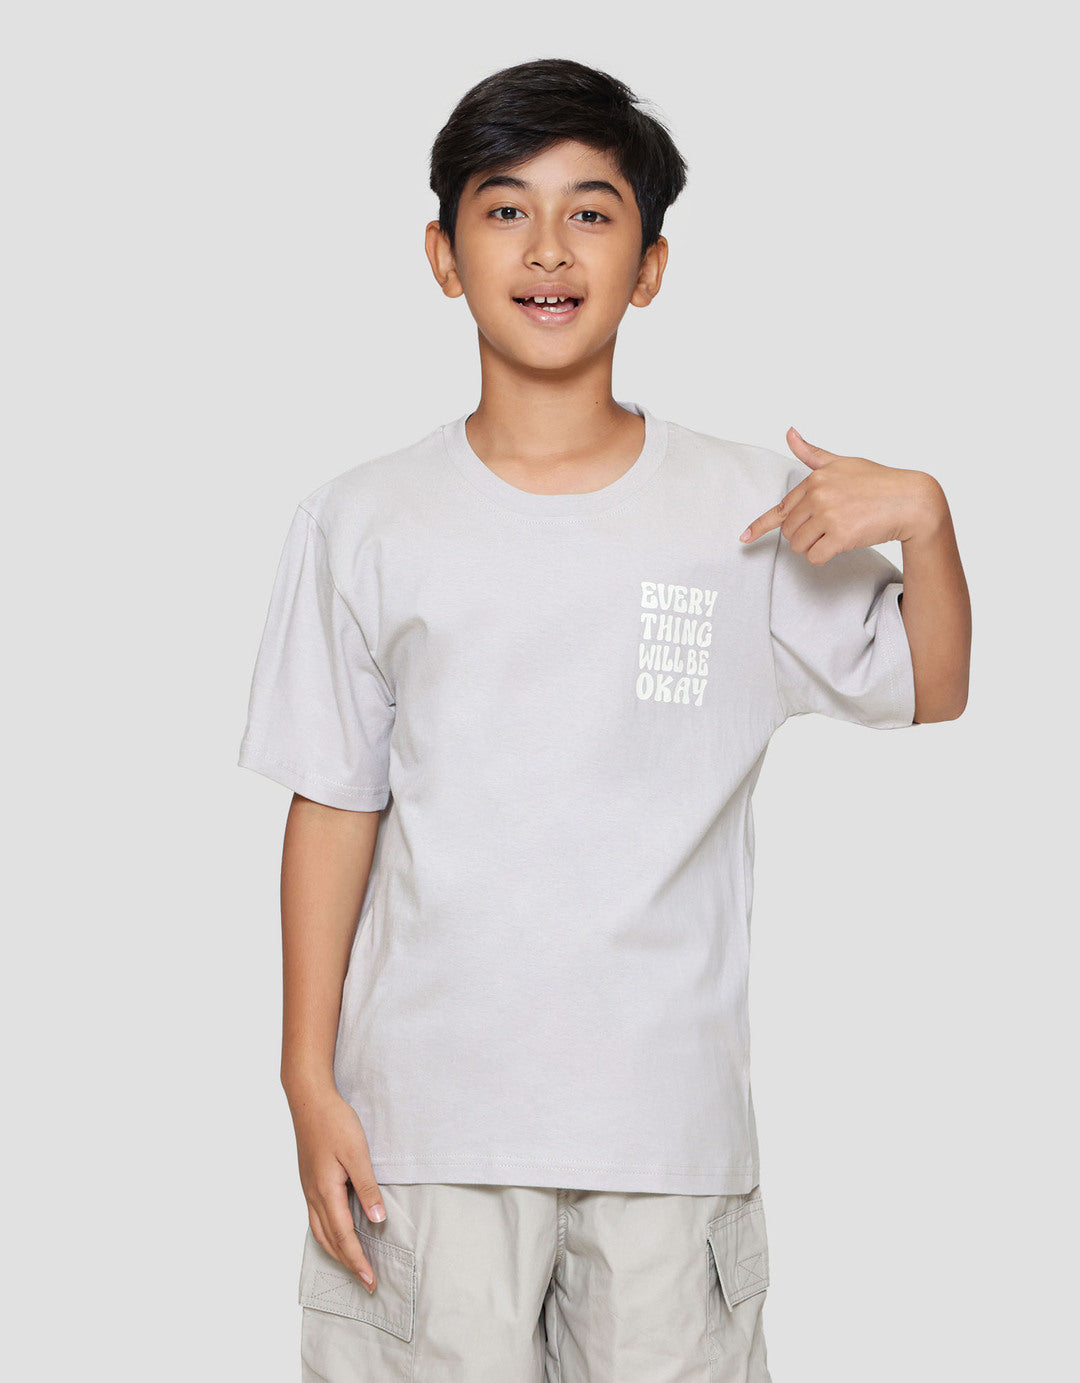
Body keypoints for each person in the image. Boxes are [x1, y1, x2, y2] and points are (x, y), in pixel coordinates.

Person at [237, 56, 970, 1383]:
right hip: (423, 1139)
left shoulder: (744, 509)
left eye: (591, 210)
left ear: (651, 266)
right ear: (442, 255)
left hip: (667, 1144)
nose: (547, 248)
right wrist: (306, 1078)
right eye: (504, 208)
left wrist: (927, 519)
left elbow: (929, 685)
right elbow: (335, 803)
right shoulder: (364, 520)